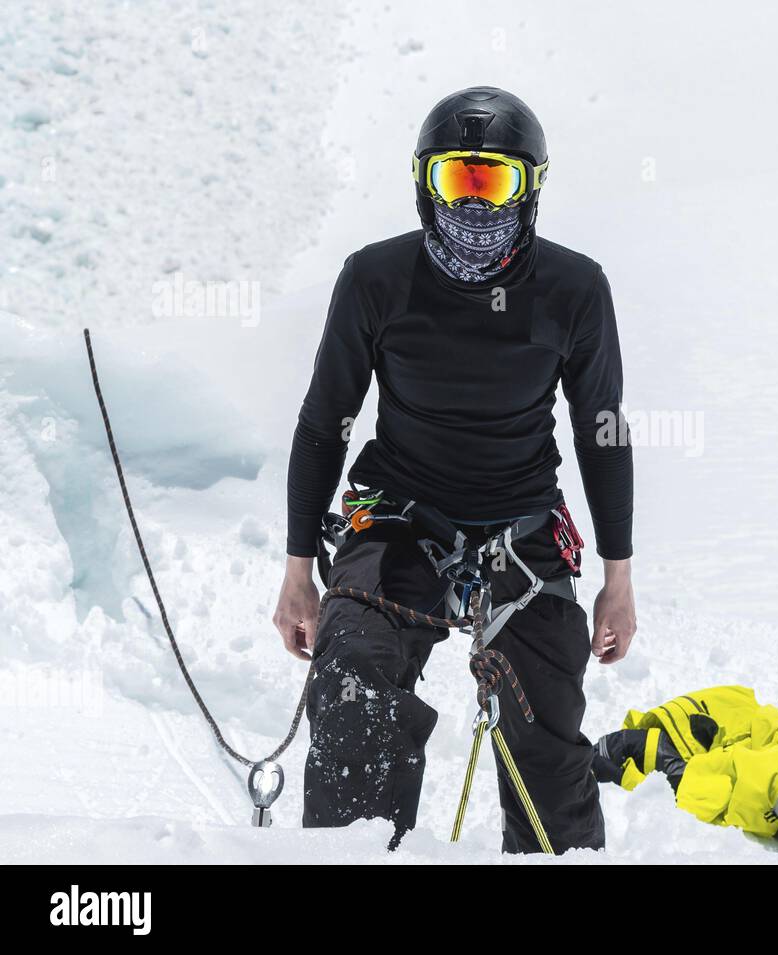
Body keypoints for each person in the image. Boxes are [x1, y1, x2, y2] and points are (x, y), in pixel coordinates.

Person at [270, 87, 635, 853]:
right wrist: (301, 569)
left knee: (545, 732)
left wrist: (618, 579)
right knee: (356, 680)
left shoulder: (574, 290)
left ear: (530, 187)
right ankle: (349, 850)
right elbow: (323, 421)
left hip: (522, 521)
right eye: (455, 180)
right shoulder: (376, 280)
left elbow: (601, 432)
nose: (473, 206)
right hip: (401, 515)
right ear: (422, 181)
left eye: (492, 181)